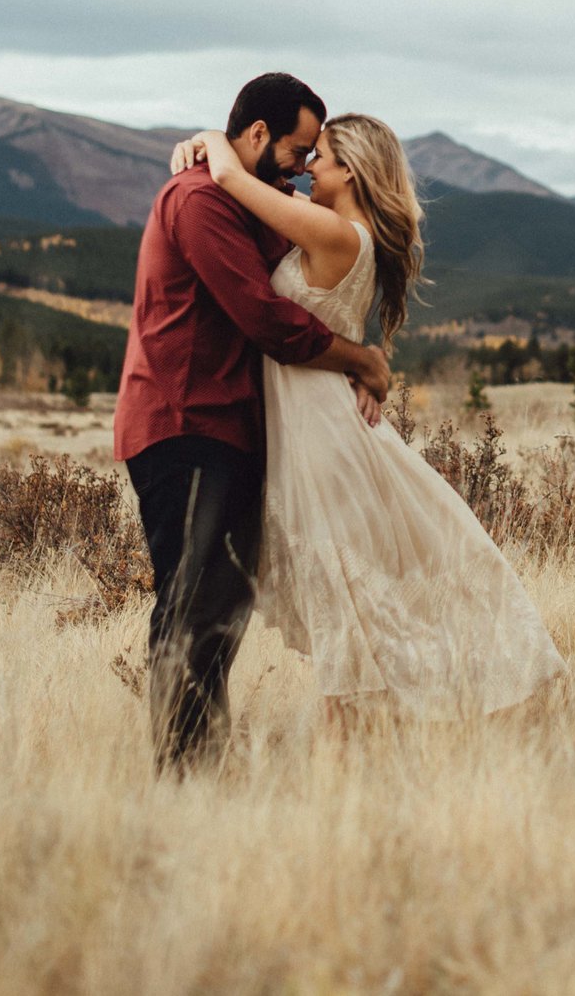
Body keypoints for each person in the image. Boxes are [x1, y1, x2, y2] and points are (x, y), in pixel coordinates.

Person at [171, 113, 565, 717]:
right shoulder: (345, 233)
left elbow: (227, 176)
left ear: (350, 169)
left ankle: (348, 762)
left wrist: (205, 140)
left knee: (345, 607)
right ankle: (356, 759)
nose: (307, 169)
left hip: (321, 434)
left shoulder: (337, 234)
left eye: (320, 158)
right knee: (346, 608)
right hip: (315, 423)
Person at [115, 72, 392, 766]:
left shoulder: (252, 200)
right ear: (260, 134)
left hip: (233, 431)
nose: (303, 168)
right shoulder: (200, 201)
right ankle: (183, 772)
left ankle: (202, 764)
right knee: (192, 603)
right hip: (184, 425)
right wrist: (359, 359)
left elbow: (313, 275)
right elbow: (267, 318)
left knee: (223, 608)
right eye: (299, 150)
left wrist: (214, 142)